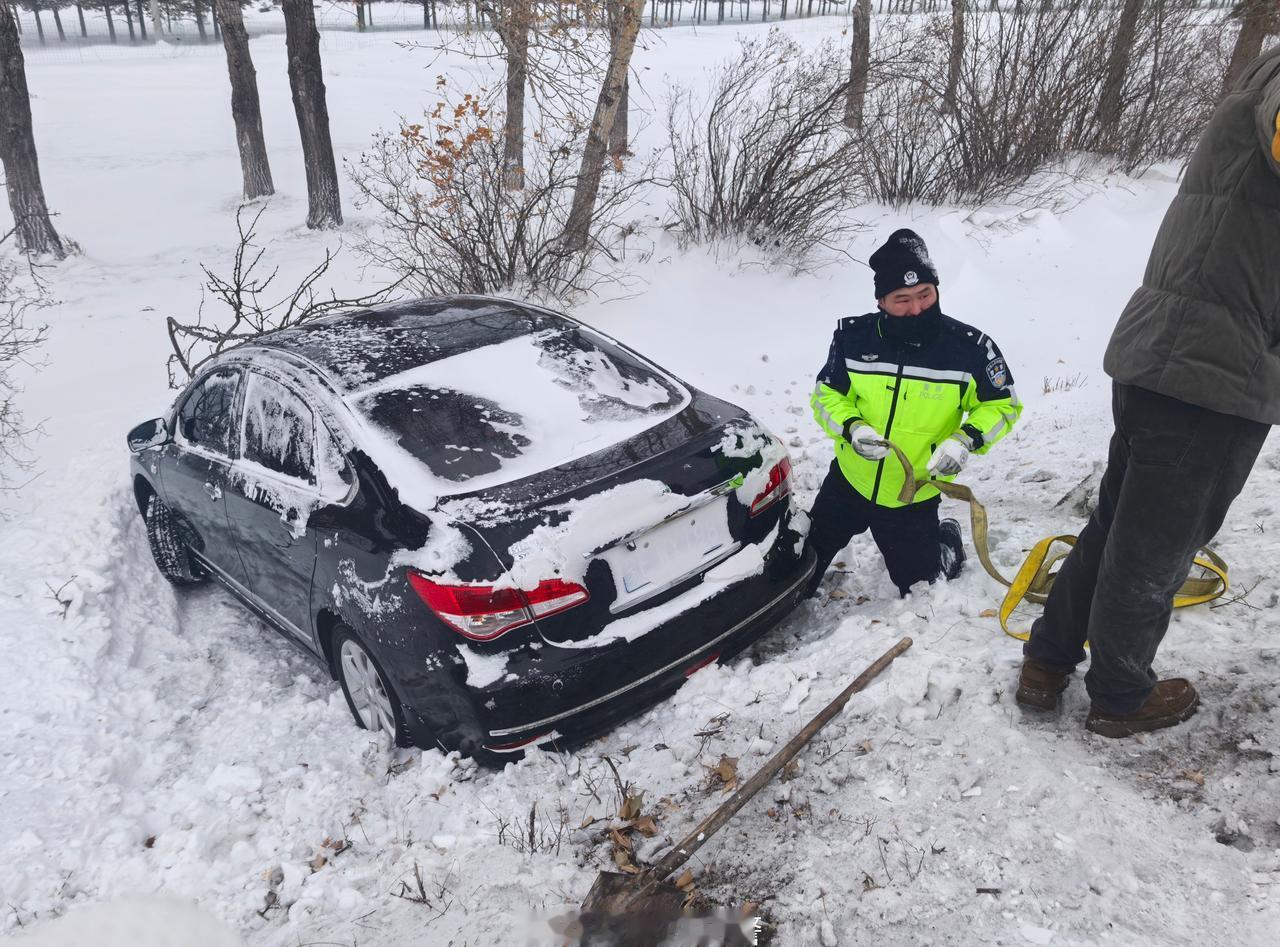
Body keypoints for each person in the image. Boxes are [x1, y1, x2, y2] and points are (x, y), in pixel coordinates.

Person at [1016, 46, 1280, 738]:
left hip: (1165, 352)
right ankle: (1120, 694)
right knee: (1154, 550)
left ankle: (1046, 661)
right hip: (1210, 373)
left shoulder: (1261, 75)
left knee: (1117, 527)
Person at [800, 228, 1022, 599]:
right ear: (881, 302)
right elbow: (827, 396)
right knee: (800, 571)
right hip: (849, 482)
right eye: (902, 299)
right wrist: (852, 428)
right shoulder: (852, 338)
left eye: (925, 294)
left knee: (920, 587)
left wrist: (965, 440)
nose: (916, 308)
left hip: (911, 493)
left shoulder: (969, 349)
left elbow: (1003, 405)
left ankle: (945, 538)